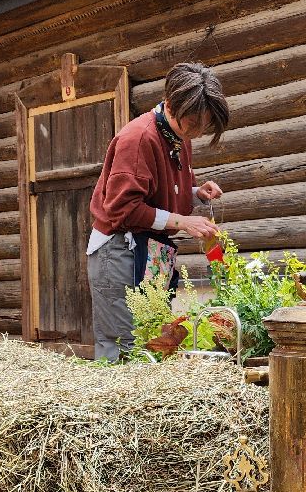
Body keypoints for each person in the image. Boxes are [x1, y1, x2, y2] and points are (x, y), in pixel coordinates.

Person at [86, 62, 229, 361]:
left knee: (153, 344)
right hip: (118, 250)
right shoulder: (138, 139)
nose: (197, 132)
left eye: (203, 126)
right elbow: (123, 210)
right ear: (171, 103)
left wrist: (195, 194)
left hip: (151, 251)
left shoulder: (178, 137)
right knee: (124, 348)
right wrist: (184, 221)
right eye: (192, 124)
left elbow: (161, 193)